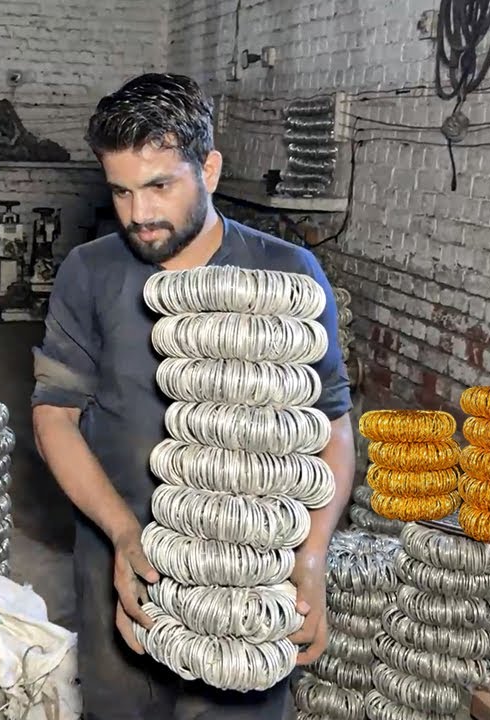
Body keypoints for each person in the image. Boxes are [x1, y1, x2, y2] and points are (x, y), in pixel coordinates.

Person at [30, 73, 354, 720]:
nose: (138, 215)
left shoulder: (286, 274)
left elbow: (332, 425)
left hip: (246, 573)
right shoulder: (90, 272)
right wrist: (124, 537)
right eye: (120, 191)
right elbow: (54, 418)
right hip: (123, 559)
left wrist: (311, 555)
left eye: (159, 186)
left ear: (209, 167)